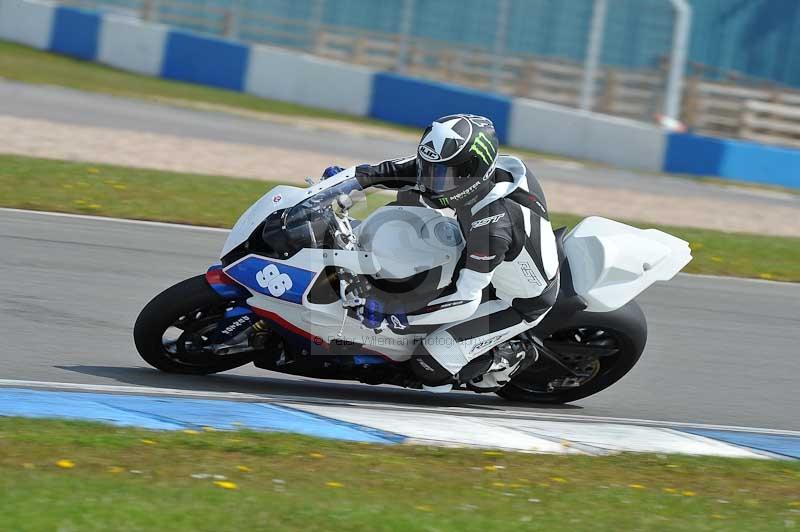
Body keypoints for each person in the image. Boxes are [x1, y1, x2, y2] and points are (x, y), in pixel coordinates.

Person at [325, 114, 560, 392]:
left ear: (473, 172)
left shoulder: (491, 227)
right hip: (483, 252)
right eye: (431, 169)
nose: (433, 181)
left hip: (516, 300)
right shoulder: (479, 172)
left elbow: (465, 299)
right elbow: (386, 172)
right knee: (407, 206)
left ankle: (508, 355)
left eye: (443, 174)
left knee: (429, 364)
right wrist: (342, 184)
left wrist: (398, 315)